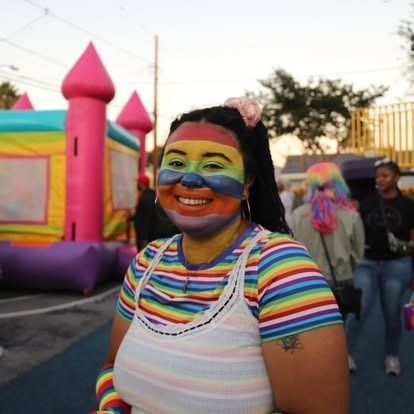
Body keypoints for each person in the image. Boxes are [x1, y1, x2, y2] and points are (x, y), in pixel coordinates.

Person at [93, 97, 349, 414]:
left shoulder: (278, 268)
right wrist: (111, 410)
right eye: (175, 163)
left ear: (246, 184)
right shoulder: (148, 262)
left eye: (213, 165)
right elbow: (111, 369)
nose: (188, 178)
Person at [345, 158, 414, 376]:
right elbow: (353, 230)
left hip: (398, 265)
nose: (380, 180)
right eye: (377, 176)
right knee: (359, 309)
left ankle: (391, 356)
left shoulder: (409, 205)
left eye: (385, 176)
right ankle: (344, 354)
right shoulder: (366, 202)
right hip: (367, 263)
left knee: (392, 313)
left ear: (397, 178)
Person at [291, 162, 364, 288]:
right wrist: (344, 269)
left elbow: (292, 248)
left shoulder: (298, 215)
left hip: (308, 279)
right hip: (342, 279)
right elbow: (358, 253)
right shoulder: (351, 215)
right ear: (339, 184)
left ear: (310, 185)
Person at [130, 174, 157, 251]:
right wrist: (130, 218)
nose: (137, 185)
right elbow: (141, 215)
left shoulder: (147, 198)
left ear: (141, 184)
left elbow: (148, 218)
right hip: (144, 236)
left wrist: (144, 238)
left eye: (138, 183)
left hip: (144, 237)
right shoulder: (148, 195)